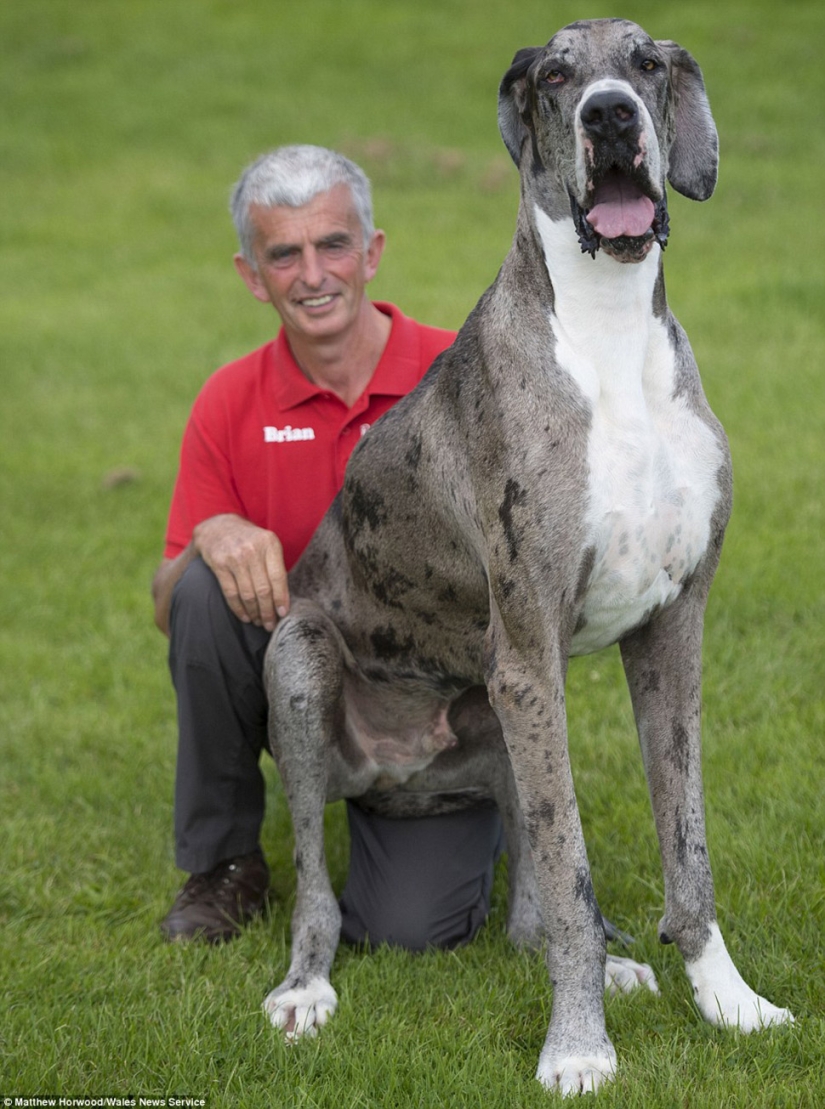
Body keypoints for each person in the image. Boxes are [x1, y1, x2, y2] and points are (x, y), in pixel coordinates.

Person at [153, 145, 503, 950]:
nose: (312, 274)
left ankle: (495, 808)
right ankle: (225, 862)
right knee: (203, 588)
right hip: (307, 689)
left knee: (407, 931)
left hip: (440, 707)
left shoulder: (465, 375)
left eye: (332, 245)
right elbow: (170, 610)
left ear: (372, 251)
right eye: (285, 253)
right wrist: (211, 532)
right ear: (252, 275)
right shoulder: (228, 400)